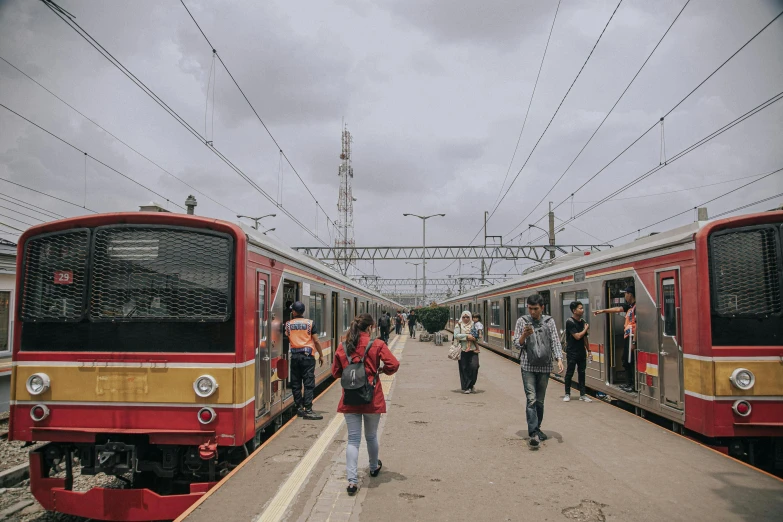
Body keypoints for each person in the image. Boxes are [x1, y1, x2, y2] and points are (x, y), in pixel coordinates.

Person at [332, 313, 400, 496]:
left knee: (353, 439)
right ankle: (373, 466)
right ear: (370, 327)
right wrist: (380, 370)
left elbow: (335, 372)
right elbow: (393, 364)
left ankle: (352, 482)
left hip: (350, 398)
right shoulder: (377, 344)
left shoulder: (343, 346)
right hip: (372, 397)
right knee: (371, 436)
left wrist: (351, 373)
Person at [513, 294, 564, 448]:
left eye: (535, 309)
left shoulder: (549, 322)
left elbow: (555, 341)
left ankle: (537, 428)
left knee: (540, 401)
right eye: (530, 308)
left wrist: (559, 359)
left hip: (545, 366)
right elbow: (516, 344)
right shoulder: (522, 321)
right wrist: (524, 335)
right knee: (532, 399)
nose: (533, 312)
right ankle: (533, 432)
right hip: (527, 366)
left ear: (542, 308)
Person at [284, 301, 325, 420]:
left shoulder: (288, 324)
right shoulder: (310, 323)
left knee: (296, 384)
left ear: (294, 312)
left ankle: (299, 408)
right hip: (307, 356)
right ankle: (308, 409)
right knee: (308, 383)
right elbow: (316, 341)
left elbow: (287, 335)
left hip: (295, 356)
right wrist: (321, 355)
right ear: (303, 311)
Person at [594, 286, 637, 393]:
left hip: (632, 338)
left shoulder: (636, 308)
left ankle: (632, 384)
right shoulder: (630, 306)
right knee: (625, 360)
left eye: (625, 293)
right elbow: (617, 309)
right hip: (628, 337)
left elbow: (637, 325)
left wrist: (634, 342)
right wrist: (603, 310)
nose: (624, 296)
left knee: (629, 361)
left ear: (630, 294)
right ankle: (629, 383)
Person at [563, 301, 593, 403]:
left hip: (581, 352)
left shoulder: (583, 321)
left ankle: (582, 394)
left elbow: (585, 338)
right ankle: (567, 394)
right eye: (580, 308)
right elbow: (577, 336)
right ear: (574, 310)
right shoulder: (570, 322)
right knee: (569, 373)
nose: (582, 310)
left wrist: (589, 350)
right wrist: (585, 329)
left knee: (582, 373)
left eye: (582, 308)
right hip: (572, 352)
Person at [453, 310, 480, 394]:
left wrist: (475, 338)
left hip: (473, 349)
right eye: (464, 317)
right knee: (464, 368)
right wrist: (467, 336)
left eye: (467, 317)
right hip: (462, 350)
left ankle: (471, 384)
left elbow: (478, 336)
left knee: (475, 366)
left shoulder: (473, 325)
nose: (465, 318)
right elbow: (456, 336)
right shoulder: (458, 325)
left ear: (470, 317)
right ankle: (467, 387)